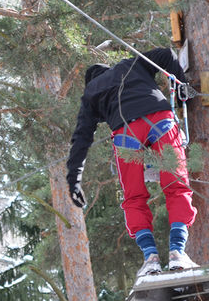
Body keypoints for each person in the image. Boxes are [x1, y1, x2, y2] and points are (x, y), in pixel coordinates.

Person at [66, 47, 199, 279]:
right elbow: (167, 54)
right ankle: (178, 252)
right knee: (176, 187)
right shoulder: (130, 64)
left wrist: (74, 178)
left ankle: (150, 258)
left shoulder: (91, 91)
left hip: (126, 133)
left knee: (134, 197)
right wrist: (180, 87)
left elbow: (81, 137)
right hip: (160, 120)